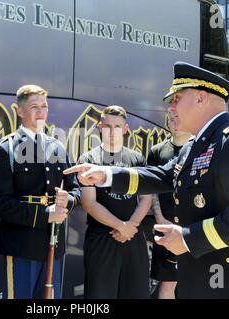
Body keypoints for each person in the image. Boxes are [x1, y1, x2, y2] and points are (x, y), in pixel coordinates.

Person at [64, 61, 229, 298]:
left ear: (201, 98)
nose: (171, 108)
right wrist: (107, 174)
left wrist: (188, 238)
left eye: (176, 99)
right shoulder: (196, 145)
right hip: (207, 280)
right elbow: (163, 175)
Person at [0, 84, 81, 299]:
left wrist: (68, 200)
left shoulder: (57, 147)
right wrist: (45, 214)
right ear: (20, 111)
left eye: (44, 106)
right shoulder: (7, 148)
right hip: (21, 245)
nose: (41, 112)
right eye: (34, 107)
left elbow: (76, 190)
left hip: (53, 244)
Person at [77, 105, 152, 299]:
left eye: (117, 126)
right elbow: (89, 203)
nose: (112, 131)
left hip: (134, 236)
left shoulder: (136, 159)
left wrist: (131, 226)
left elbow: (146, 199)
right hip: (102, 238)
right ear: (100, 127)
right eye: (108, 126)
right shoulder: (89, 159)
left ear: (125, 129)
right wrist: (121, 226)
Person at [147, 115, 192, 299]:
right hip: (165, 228)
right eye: (171, 119)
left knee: (195, 283)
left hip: (194, 230)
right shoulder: (158, 151)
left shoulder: (201, 148)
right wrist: (159, 218)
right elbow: (151, 188)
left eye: (179, 118)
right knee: (167, 285)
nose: (175, 122)